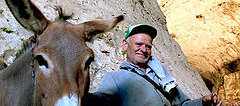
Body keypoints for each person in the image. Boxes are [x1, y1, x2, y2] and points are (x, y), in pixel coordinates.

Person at [83, 24, 222, 106]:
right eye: (138, 44)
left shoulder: (162, 75)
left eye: (148, 46)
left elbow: (182, 104)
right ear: (125, 44)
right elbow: (101, 100)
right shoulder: (115, 78)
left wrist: (202, 102)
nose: (143, 50)